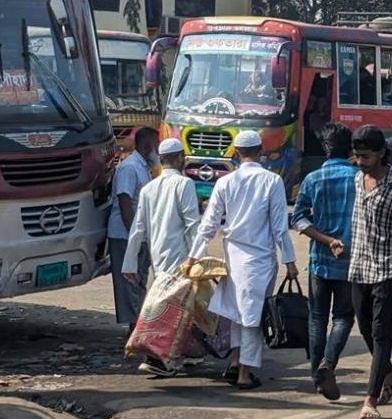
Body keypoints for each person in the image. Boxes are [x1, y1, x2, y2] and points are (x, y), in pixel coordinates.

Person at [186, 130, 298, 390]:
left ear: (236, 153)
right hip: (260, 260)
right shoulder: (272, 181)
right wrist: (289, 261)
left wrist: (194, 255)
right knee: (251, 318)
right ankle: (244, 374)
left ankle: (236, 363)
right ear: (261, 151)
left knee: (239, 314)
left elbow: (209, 223)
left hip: (234, 258)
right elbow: (280, 227)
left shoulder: (226, 182)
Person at [347, 126, 392, 419]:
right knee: (364, 328)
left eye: (366, 156)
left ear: (381, 154)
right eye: (357, 156)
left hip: (387, 271)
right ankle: (388, 374)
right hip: (359, 268)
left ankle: (370, 399)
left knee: (380, 334)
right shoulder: (356, 179)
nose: (361, 161)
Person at [122, 137, 202, 376]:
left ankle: (174, 355)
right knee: (175, 312)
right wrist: (200, 256)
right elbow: (192, 223)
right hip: (182, 257)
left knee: (171, 308)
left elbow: (138, 229)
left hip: (159, 257)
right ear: (179, 159)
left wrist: (130, 262)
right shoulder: (184, 184)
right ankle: (163, 358)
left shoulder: (148, 188)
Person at [290, 122, 357, 401]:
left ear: (325, 149)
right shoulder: (360, 178)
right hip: (351, 260)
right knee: (343, 317)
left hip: (320, 259)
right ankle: (328, 365)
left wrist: (325, 239)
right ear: (351, 149)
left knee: (317, 317)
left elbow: (299, 219)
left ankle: (317, 373)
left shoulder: (313, 179)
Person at [108, 127, 159, 332]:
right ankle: (134, 329)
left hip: (140, 235)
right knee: (128, 282)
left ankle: (138, 327)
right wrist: (134, 237)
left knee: (138, 281)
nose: (158, 150)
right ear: (148, 146)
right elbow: (124, 201)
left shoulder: (142, 167)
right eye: (156, 145)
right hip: (124, 235)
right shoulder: (129, 168)